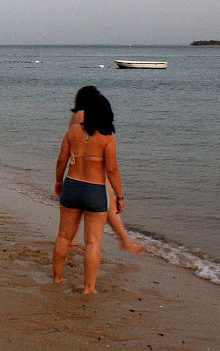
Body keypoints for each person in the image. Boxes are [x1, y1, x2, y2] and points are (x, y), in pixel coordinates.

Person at [53, 91, 124, 294]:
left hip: (72, 185)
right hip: (94, 189)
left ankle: (57, 277)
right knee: (92, 242)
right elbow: (111, 170)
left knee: (63, 237)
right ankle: (88, 288)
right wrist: (119, 196)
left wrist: (59, 181)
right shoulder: (108, 137)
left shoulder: (73, 130)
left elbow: (61, 159)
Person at [67, 87, 144, 254]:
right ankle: (125, 241)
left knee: (80, 207)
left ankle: (74, 241)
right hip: (93, 171)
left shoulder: (77, 116)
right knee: (108, 205)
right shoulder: (83, 116)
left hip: (81, 170)